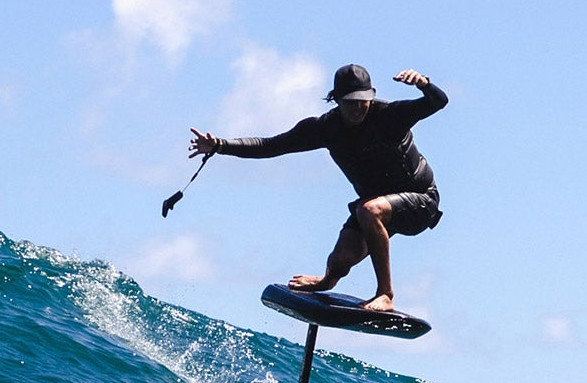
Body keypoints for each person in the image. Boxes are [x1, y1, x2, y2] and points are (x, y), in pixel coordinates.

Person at [189, 64, 447, 312]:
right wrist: (220, 145)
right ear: (336, 99)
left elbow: (438, 101)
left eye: (363, 100)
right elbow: (270, 145)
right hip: (377, 206)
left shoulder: (390, 116)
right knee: (339, 261)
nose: (358, 107)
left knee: (369, 210)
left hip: (421, 203)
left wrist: (424, 83)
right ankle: (326, 281)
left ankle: (385, 294)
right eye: (350, 101)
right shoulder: (326, 128)